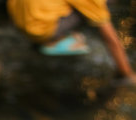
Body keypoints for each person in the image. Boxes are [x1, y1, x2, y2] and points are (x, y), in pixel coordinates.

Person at [7, 0, 136, 84]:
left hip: (16, 17)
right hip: (36, 30)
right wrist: (127, 75)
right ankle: (49, 41)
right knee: (97, 13)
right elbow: (111, 39)